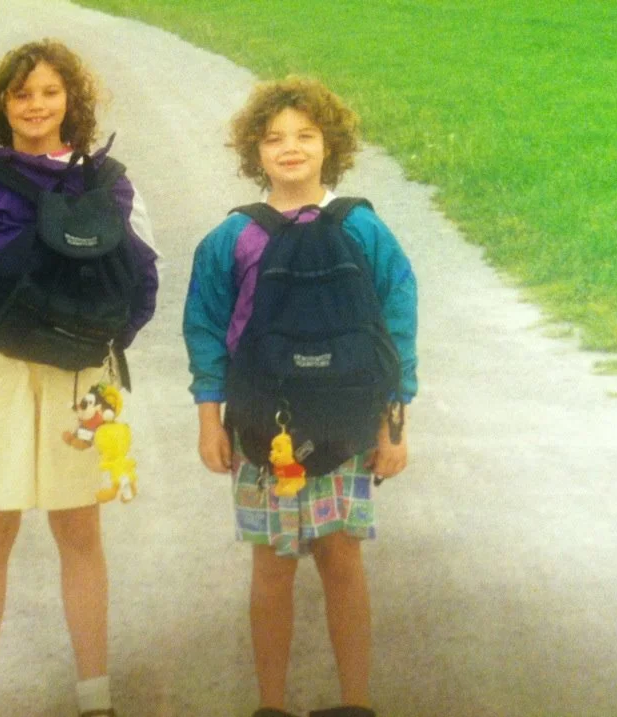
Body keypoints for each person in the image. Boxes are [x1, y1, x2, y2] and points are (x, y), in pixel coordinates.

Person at [0, 39, 158, 717]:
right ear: (1, 105)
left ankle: (94, 694)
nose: (36, 105)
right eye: (21, 94)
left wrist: (110, 345)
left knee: (79, 531)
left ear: (71, 100)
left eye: (50, 92)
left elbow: (142, 275)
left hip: (80, 374)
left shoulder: (108, 183)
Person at [182, 76, 418, 717]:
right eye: (275, 138)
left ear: (329, 147)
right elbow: (205, 332)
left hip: (348, 424)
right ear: (254, 152)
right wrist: (211, 420)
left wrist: (393, 426)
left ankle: (355, 703)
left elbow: (396, 330)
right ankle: (271, 705)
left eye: (306, 136)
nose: (290, 148)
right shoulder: (232, 239)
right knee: (272, 567)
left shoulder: (364, 231)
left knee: (342, 558)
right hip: (263, 429)